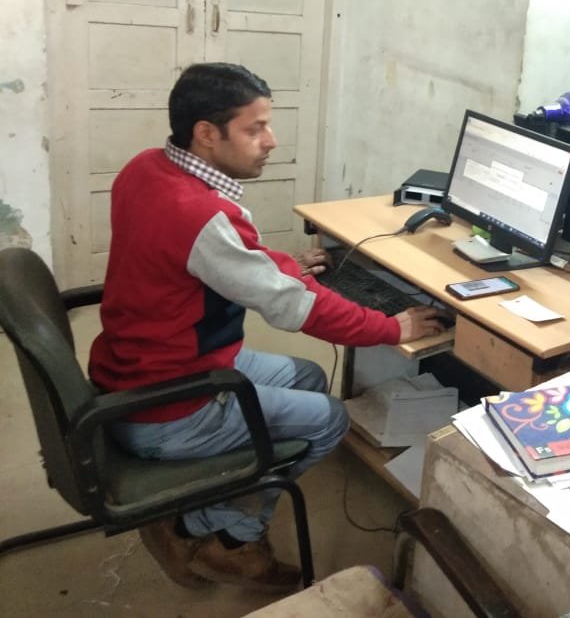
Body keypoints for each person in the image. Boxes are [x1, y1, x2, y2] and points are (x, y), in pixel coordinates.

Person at [88, 62, 445, 593]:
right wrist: (391, 326)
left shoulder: (147, 167)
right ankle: (220, 536)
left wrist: (284, 267)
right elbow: (294, 309)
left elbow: (231, 256)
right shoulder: (200, 214)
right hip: (167, 406)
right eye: (254, 129)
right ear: (206, 134)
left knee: (307, 377)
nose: (271, 140)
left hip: (135, 366)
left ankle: (210, 500)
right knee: (329, 420)